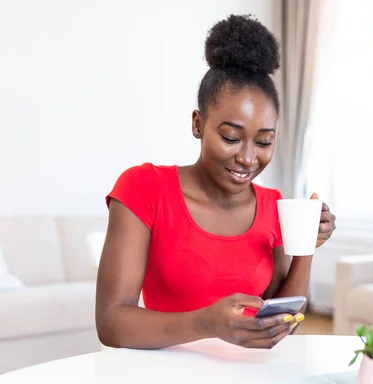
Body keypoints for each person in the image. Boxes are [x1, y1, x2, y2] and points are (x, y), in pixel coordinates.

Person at [95, 15, 336, 351]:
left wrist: (306, 248)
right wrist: (206, 323)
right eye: (231, 137)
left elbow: (280, 322)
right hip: (163, 376)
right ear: (198, 124)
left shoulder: (273, 204)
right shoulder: (144, 188)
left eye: (264, 142)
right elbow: (111, 322)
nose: (248, 158)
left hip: (248, 376)